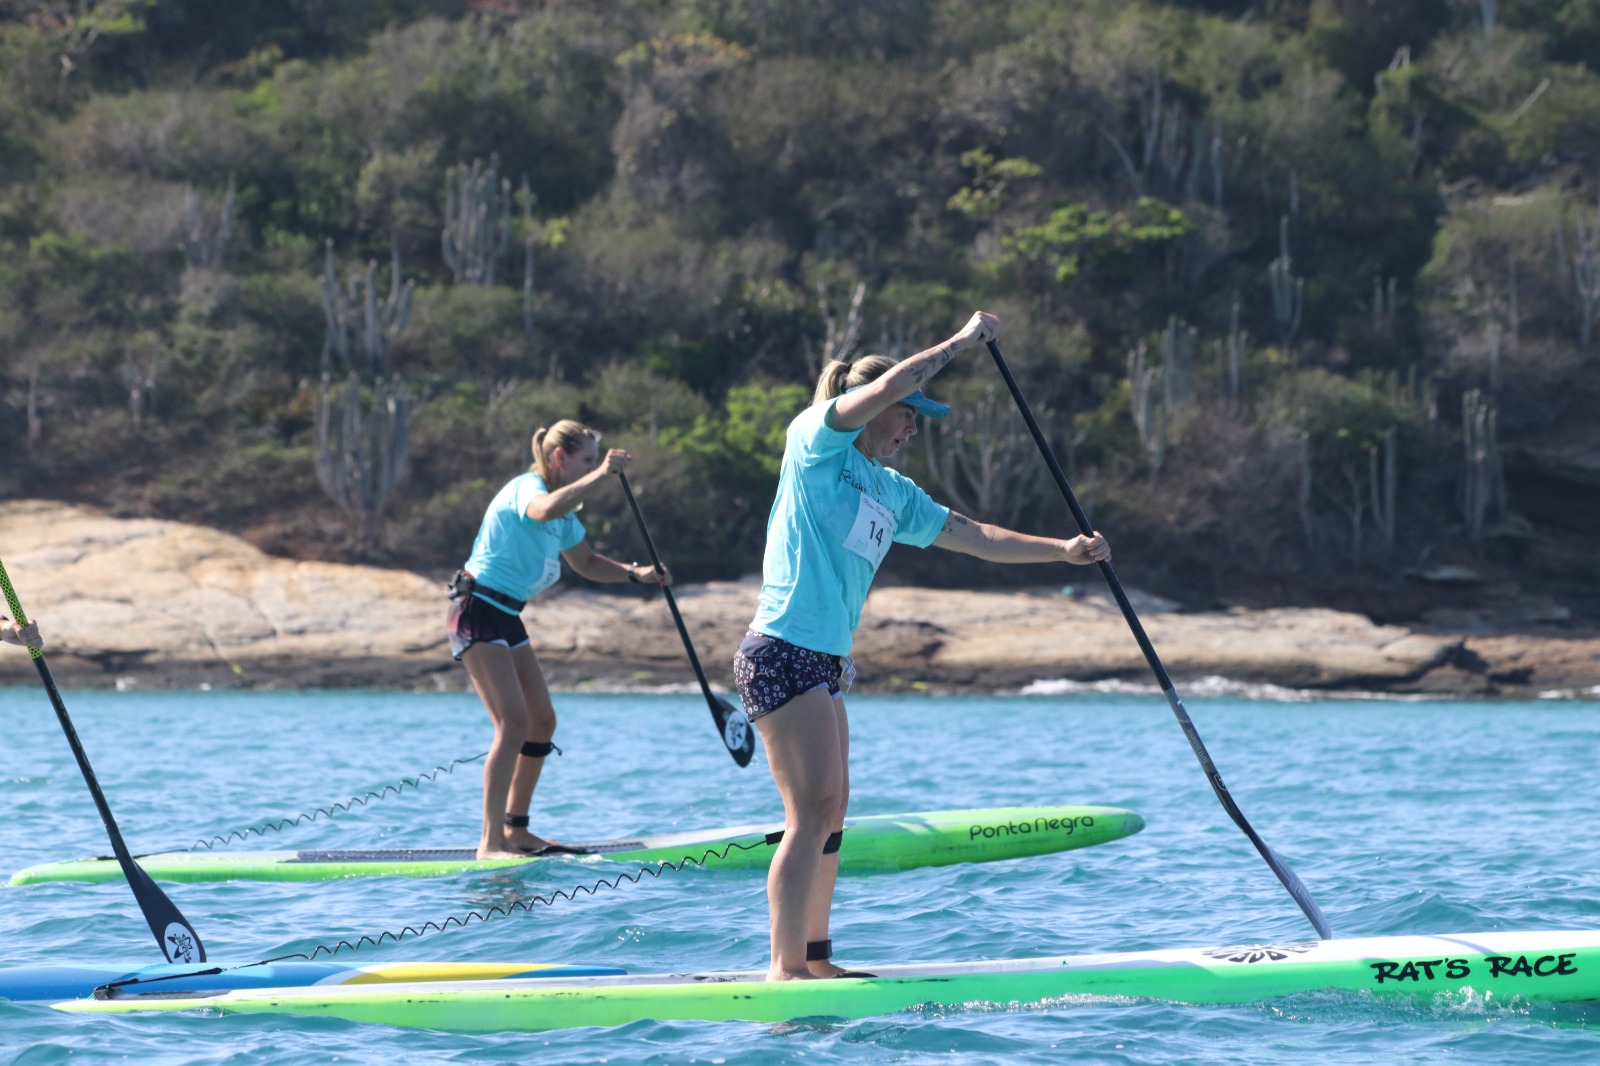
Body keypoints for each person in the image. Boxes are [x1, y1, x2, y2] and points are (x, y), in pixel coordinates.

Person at [733, 312, 1112, 981]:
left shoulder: (891, 491)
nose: (913, 429)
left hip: (824, 661)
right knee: (811, 811)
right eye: (908, 416)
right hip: (781, 647)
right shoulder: (815, 442)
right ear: (880, 407)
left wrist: (1064, 552)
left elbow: (978, 536)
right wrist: (963, 342)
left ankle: (816, 961)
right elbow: (892, 383)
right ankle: (784, 969)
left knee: (833, 811)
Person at [448, 419, 670, 860]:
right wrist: (601, 473)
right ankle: (489, 844)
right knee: (512, 723)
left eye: (596, 460)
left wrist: (635, 574)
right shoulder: (527, 487)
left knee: (542, 722)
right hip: (477, 610)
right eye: (586, 459)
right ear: (559, 459)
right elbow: (541, 510)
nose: (593, 467)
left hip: (508, 617)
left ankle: (516, 830)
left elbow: (586, 562)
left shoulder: (566, 515)